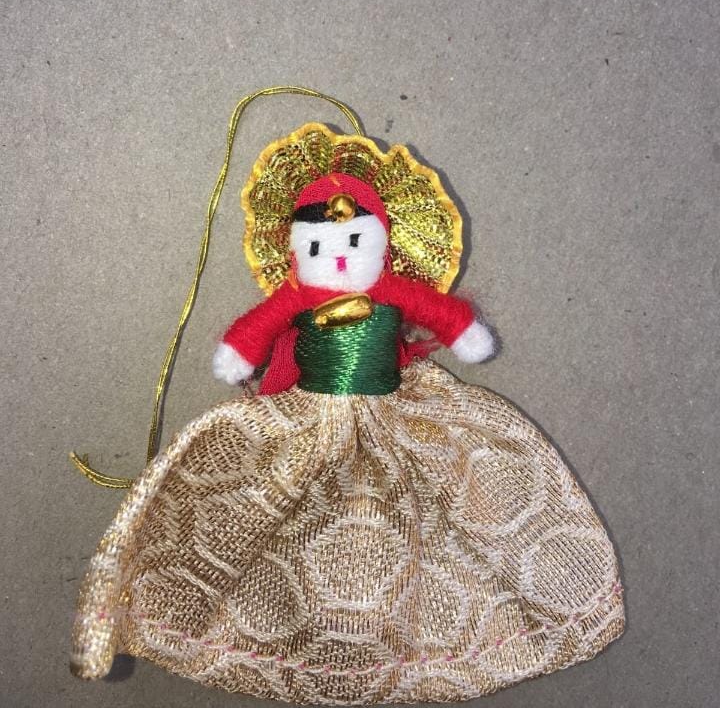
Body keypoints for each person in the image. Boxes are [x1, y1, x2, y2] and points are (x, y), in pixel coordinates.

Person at [71, 123, 624, 704]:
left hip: (394, 410)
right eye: (318, 247)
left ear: (382, 239)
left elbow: (441, 313)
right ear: (296, 249)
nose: (337, 256)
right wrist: (240, 354)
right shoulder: (297, 298)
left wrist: (464, 333)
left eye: (354, 241)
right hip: (307, 416)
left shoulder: (391, 291)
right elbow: (256, 332)